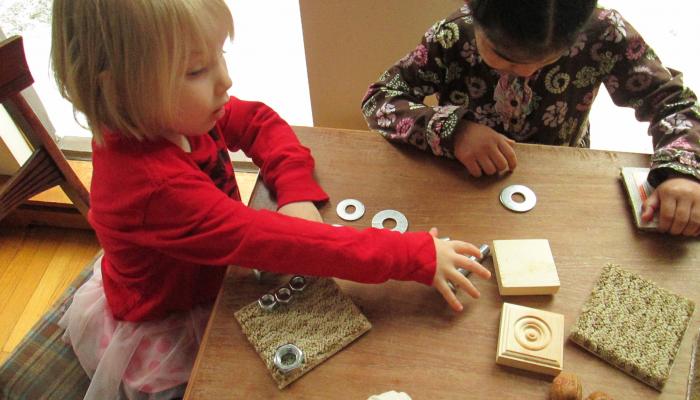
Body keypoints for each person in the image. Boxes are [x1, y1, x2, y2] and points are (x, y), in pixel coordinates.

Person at [50, 0, 491, 398]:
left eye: (218, 56)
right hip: (166, 317)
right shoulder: (152, 188)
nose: (226, 80)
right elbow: (278, 243)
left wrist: (295, 191)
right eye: (196, 70)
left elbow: (260, 121)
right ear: (119, 88)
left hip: (204, 271)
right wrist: (413, 255)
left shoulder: (167, 114)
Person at [362, 0, 700, 237]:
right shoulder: (452, 36)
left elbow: (673, 102)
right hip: (461, 186)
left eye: (547, 59)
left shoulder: (606, 32)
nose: (524, 71)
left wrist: (681, 171)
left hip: (559, 186)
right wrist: (454, 131)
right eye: (502, 55)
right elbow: (380, 98)